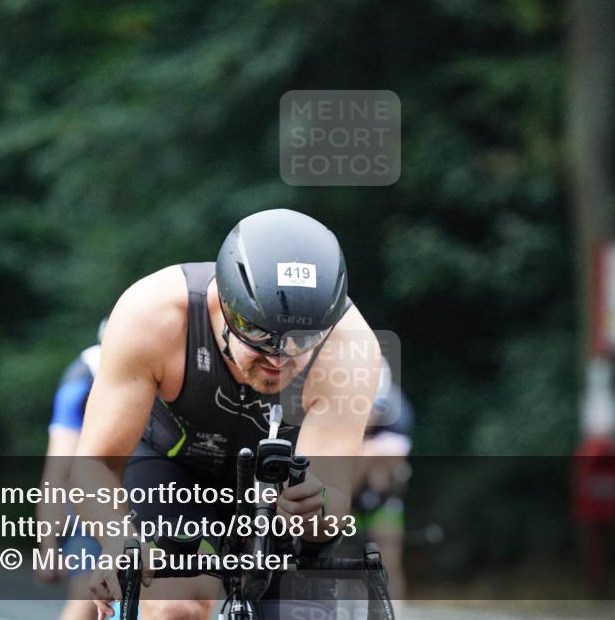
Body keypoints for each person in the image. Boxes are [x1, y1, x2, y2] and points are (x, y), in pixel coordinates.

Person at [71, 209, 383, 620]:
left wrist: (315, 508)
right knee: (177, 605)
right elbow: (94, 462)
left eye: (301, 340)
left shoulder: (350, 348)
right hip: (174, 470)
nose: (279, 358)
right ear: (224, 303)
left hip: (279, 488)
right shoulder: (154, 313)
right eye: (259, 335)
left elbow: (333, 501)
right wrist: (118, 542)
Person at [36, 320, 107, 620]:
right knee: (85, 601)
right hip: (96, 491)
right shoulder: (82, 378)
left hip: (151, 486)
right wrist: (48, 543)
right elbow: (59, 469)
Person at [353, 357, 414, 603]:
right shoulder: (333, 404)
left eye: (376, 409)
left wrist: (367, 453)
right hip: (347, 493)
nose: (370, 417)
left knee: (388, 559)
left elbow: (391, 476)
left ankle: (393, 610)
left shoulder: (399, 411)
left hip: (382, 494)